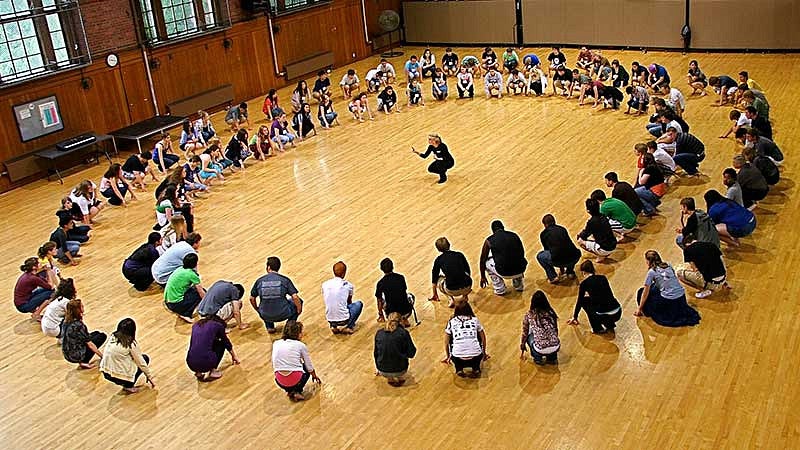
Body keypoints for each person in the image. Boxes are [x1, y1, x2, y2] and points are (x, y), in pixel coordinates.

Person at [634, 251, 701, 327]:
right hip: (681, 296)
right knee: (654, 287)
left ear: (648, 261)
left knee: (641, 292)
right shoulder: (668, 265)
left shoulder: (651, 272)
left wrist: (639, 308)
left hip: (669, 300)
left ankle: (645, 312)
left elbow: (645, 293)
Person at [100, 318, 155, 394]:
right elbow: (141, 362)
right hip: (119, 376)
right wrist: (149, 377)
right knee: (145, 358)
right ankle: (128, 386)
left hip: (105, 371)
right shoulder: (130, 344)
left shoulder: (113, 336)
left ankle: (126, 383)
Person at [250, 256, 303, 333]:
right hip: (284, 313)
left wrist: (257, 309)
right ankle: (289, 326)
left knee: (265, 305)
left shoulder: (259, 281)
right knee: (299, 302)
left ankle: (270, 327)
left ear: (268, 267)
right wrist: (299, 309)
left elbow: (252, 298)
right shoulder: (285, 280)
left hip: (265, 315)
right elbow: (295, 297)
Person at [566, 261, 622, 334]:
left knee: (584, 301)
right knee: (603, 302)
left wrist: (575, 317)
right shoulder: (603, 278)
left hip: (604, 316)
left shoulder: (584, 284)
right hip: (617, 311)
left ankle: (597, 328)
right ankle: (609, 325)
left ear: (583, 272)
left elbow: (579, 302)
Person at [271, 321, 320, 401]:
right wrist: (314, 375)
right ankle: (297, 391)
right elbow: (309, 367)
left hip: (279, 381)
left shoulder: (276, 343)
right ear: (297, 333)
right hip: (295, 379)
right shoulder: (300, 345)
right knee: (305, 368)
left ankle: (290, 391)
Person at [479, 220, 527, 296]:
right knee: (515, 256)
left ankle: (499, 288)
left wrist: (482, 276)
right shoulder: (514, 235)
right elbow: (522, 252)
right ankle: (519, 285)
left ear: (493, 231)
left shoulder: (489, 240)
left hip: (504, 272)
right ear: (503, 227)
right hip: (520, 269)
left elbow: (482, 260)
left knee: (487, 262)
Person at [186, 315, 240, 381]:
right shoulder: (218, 325)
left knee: (200, 345)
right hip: (206, 363)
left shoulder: (196, 325)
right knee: (221, 344)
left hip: (190, 363)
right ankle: (213, 370)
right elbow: (226, 342)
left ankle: (198, 372)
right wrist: (234, 356)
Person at [442, 302, 487, 377]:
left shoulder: (451, 322)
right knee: (477, 334)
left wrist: (448, 357)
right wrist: (484, 353)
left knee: (451, 337)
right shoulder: (475, 320)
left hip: (457, 356)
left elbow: (446, 342)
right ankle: (476, 368)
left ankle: (459, 368)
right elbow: (483, 338)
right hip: (476, 355)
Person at [374, 312, 417, 386]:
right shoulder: (403, 333)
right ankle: (400, 377)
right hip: (400, 369)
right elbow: (411, 353)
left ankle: (389, 378)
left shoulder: (379, 333)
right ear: (400, 321)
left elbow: (376, 353)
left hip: (382, 370)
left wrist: (378, 367)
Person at [61, 298, 106, 369]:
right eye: (82, 306)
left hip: (67, 351)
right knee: (101, 336)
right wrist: (102, 357)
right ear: (78, 310)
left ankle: (82, 360)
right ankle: (84, 361)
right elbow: (90, 345)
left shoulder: (65, 321)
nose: (83, 307)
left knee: (96, 333)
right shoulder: (78, 325)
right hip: (75, 355)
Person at [537, 214, 581, 284]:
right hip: (575, 257)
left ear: (545, 225)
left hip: (558, 260)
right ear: (554, 221)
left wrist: (561, 267)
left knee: (540, 256)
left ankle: (553, 277)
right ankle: (570, 272)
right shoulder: (562, 229)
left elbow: (548, 250)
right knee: (569, 251)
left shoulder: (543, 234)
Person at [322, 261, 364, 334]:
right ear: (344, 273)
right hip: (344, 319)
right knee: (359, 304)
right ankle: (349, 326)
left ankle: (333, 326)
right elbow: (349, 301)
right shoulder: (348, 285)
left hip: (329, 318)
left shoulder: (325, 284)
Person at [520, 290, 560, 364]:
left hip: (540, 348)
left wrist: (522, 345)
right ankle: (552, 358)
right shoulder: (551, 312)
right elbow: (555, 329)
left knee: (529, 336)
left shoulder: (530, 314)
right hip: (555, 346)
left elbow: (525, 333)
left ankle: (538, 358)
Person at [430, 237, 472, 307]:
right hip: (468, 286)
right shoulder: (459, 255)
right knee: (464, 274)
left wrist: (435, 294)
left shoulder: (438, 260)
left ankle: (450, 299)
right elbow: (468, 271)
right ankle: (465, 296)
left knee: (439, 278)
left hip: (452, 290)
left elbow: (434, 279)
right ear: (449, 244)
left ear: (438, 249)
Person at [164, 253, 205, 322]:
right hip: (176, 304)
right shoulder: (191, 274)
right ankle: (186, 313)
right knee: (200, 294)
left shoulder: (179, 269)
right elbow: (201, 293)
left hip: (168, 301)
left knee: (193, 290)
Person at [375, 258, 414, 325]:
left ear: (381, 269)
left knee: (381, 299)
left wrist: (381, 314)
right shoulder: (401, 277)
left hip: (391, 313)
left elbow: (379, 300)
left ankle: (392, 319)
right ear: (393, 266)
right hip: (406, 310)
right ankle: (404, 318)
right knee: (411, 296)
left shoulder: (380, 283)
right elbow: (404, 291)